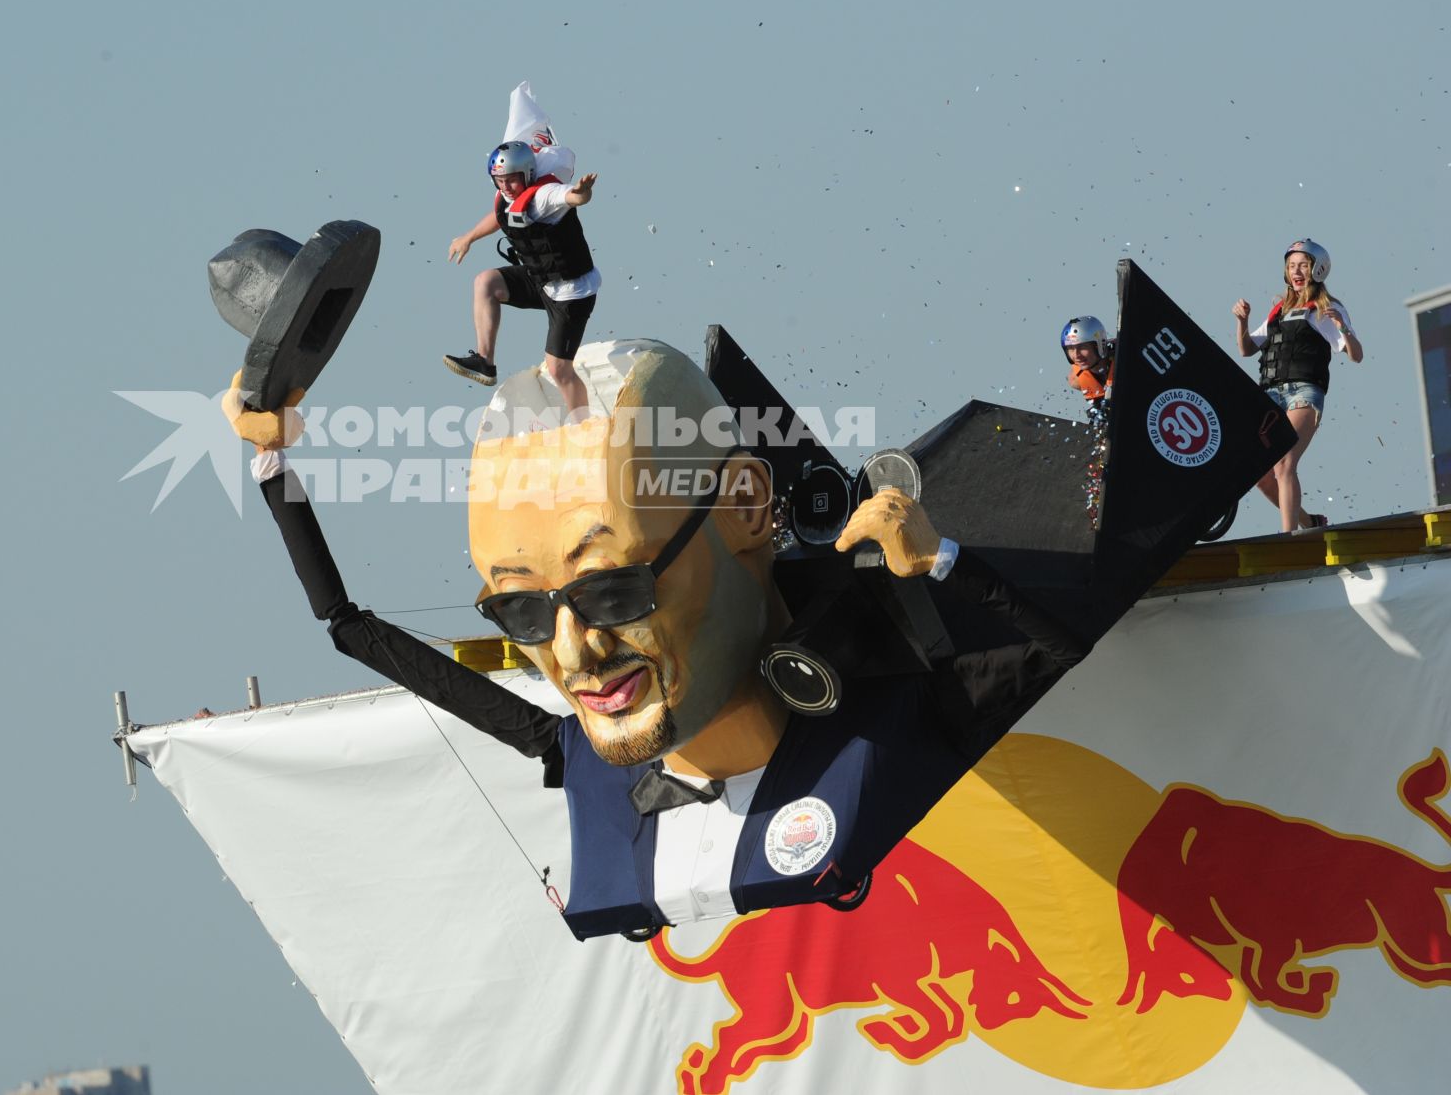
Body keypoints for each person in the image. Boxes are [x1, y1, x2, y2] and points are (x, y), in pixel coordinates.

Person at [225, 341, 1095, 938]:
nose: (572, 652)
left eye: (611, 589)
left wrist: (940, 559)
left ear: (748, 509)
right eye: (522, 612)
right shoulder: (587, 751)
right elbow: (349, 627)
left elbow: (1049, 652)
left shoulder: (885, 711)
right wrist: (273, 465)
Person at [443, 140, 600, 417]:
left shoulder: (544, 196)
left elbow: (570, 197)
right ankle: (485, 362)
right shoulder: (507, 195)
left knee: (558, 369)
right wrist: (469, 237)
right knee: (485, 282)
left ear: (527, 174)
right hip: (539, 281)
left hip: (571, 292)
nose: (504, 186)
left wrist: (581, 193)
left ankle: (583, 427)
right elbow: (498, 215)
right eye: (499, 180)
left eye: (511, 180)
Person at [1232, 239, 1364, 533]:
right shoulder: (1278, 309)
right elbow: (1246, 349)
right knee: (1260, 473)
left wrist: (1342, 326)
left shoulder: (1326, 308)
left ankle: (1287, 537)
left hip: (1304, 393)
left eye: (1303, 265)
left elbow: (1356, 355)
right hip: (1270, 396)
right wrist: (1242, 321)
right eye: (1291, 266)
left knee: (1285, 462)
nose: (1296, 271)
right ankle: (1309, 522)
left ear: (1318, 270)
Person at [1060, 316, 1115, 403]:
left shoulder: (1127, 359)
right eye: (1070, 348)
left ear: (1100, 344)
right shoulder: (1075, 380)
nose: (1076, 355)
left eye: (1082, 347)